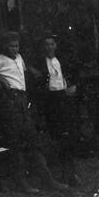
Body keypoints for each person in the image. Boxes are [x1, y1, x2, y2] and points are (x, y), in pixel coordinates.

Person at [0, 32, 68, 192]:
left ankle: (47, 180)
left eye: (16, 46)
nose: (14, 49)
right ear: (5, 47)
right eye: (11, 46)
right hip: (12, 101)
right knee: (16, 142)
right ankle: (21, 183)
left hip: (22, 99)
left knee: (33, 140)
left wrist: (32, 71)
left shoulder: (19, 57)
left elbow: (23, 70)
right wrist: (3, 81)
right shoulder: (1, 59)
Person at [28, 32, 84, 187]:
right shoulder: (38, 63)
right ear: (42, 47)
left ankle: (70, 174)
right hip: (49, 100)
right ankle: (55, 175)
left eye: (52, 44)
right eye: (46, 44)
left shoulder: (63, 60)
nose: (49, 47)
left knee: (69, 135)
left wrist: (74, 86)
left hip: (63, 99)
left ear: (56, 45)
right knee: (56, 136)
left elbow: (76, 72)